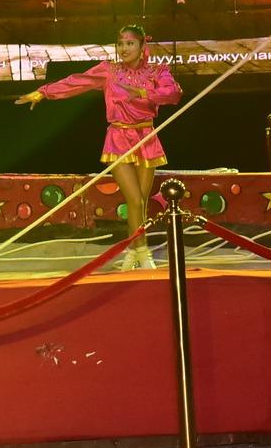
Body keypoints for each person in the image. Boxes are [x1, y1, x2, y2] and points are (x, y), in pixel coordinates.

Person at [17, 25, 181, 270]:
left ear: (142, 47)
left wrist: (143, 92)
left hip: (146, 137)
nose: (123, 48)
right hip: (119, 138)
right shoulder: (109, 71)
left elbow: (173, 93)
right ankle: (143, 253)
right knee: (134, 199)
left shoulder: (157, 71)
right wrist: (43, 93)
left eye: (130, 43)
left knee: (141, 202)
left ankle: (132, 253)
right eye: (120, 43)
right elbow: (76, 82)